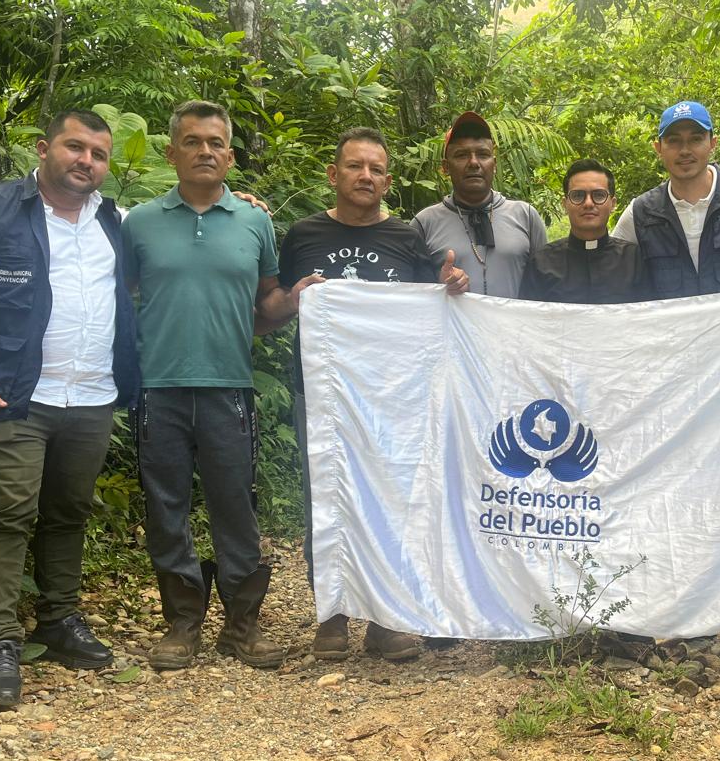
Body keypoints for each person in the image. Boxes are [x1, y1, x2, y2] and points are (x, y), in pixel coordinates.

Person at [0, 110, 139, 707]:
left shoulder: (115, 221)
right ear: (44, 148)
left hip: (92, 395)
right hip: (10, 396)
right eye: (75, 147)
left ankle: (59, 621)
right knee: (6, 516)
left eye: (98, 154)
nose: (86, 161)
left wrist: (237, 196)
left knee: (68, 513)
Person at [273, 127, 468, 662]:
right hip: (326, 392)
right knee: (327, 493)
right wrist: (293, 299)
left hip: (393, 395)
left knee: (393, 498)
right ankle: (332, 616)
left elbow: (437, 302)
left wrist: (451, 282)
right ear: (334, 175)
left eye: (376, 169)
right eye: (355, 166)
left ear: (387, 180)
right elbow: (273, 306)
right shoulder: (302, 235)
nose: (366, 176)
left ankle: (386, 618)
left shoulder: (407, 239)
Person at [123, 100, 297, 671]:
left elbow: (267, 300)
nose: (205, 151)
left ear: (230, 154)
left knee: (235, 505)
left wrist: (296, 301)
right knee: (166, 504)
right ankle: (182, 624)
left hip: (230, 387)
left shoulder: (255, 221)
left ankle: (242, 625)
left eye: (216, 142)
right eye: (193, 141)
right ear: (171, 152)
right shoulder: (139, 223)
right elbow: (120, 301)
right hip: (159, 387)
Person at [612, 100, 720, 670]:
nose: (685, 149)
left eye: (695, 137)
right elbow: (617, 284)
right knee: (675, 492)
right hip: (671, 385)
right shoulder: (640, 212)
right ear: (659, 148)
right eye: (673, 139)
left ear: (712, 143)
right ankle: (677, 611)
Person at [411, 111, 547, 297]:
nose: (474, 163)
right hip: (451, 327)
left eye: (483, 154)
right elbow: (412, 295)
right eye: (461, 155)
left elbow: (544, 289)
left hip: (513, 326)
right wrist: (440, 287)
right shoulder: (424, 223)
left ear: (494, 164)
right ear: (445, 167)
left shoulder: (526, 216)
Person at [519, 159, 649, 304]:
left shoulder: (635, 260)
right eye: (578, 196)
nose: (588, 203)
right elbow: (528, 322)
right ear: (565, 204)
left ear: (613, 204)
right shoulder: (541, 263)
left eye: (599, 195)